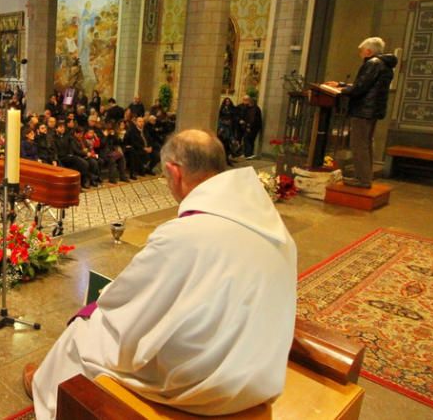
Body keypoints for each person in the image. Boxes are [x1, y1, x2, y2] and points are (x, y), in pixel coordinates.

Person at [27, 130, 297, 418]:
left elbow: (129, 305)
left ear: (173, 171)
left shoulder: (184, 235)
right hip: (258, 376)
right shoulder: (272, 226)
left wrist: (105, 297)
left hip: (208, 388)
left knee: (85, 331)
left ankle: (47, 388)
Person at [325, 37, 398, 188]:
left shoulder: (372, 63)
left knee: (359, 145)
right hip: (372, 110)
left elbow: (360, 88)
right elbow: (367, 84)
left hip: (363, 110)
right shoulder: (384, 64)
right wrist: (341, 84)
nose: (360, 54)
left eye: (361, 51)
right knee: (366, 144)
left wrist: (340, 90)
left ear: (368, 51)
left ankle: (363, 180)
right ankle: (364, 177)